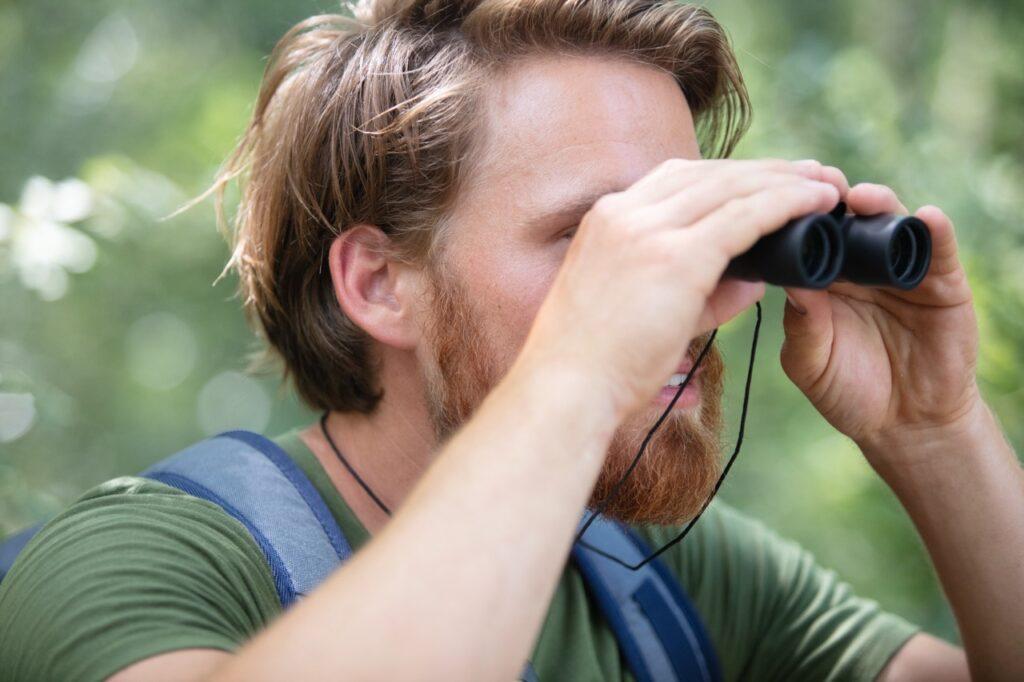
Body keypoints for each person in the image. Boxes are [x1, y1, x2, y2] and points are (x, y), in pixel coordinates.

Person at [1, 0, 1021, 679]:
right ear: (377, 284)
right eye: (594, 238)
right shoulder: (137, 563)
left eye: (681, 228)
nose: (682, 289)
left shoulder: (659, 579)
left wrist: (936, 433)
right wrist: (581, 368)